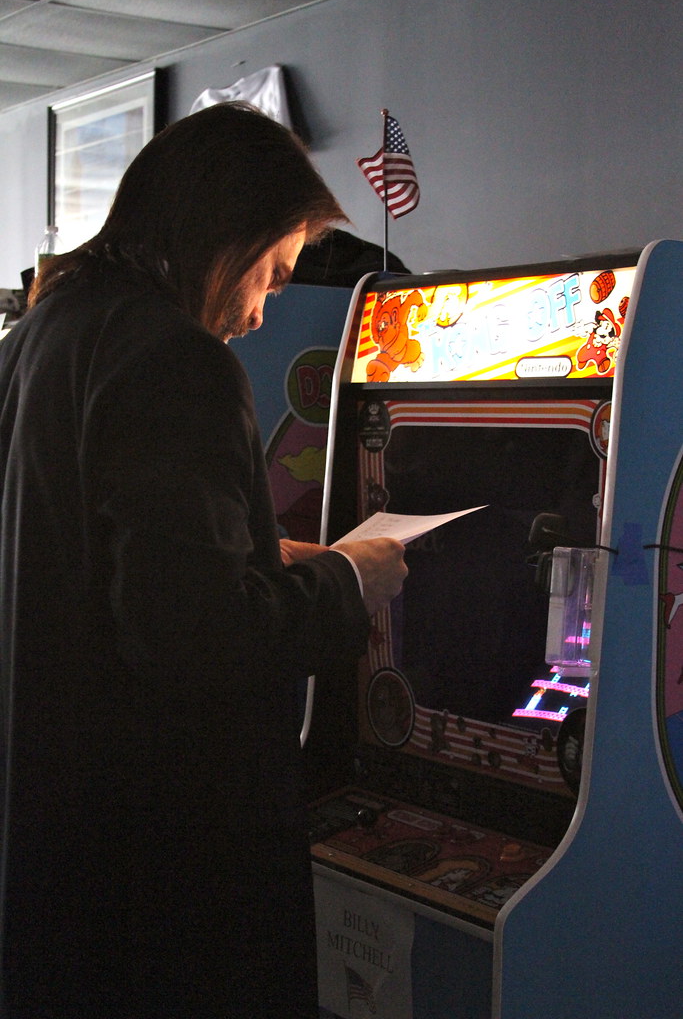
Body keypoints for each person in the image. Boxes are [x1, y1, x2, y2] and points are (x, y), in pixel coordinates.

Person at [0, 103, 407, 1019]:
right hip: (164, 858)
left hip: (57, 830)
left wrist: (262, 554)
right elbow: (196, 638)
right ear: (224, 234)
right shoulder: (174, 358)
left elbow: (94, 565)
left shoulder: (36, 340)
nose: (264, 310)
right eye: (270, 271)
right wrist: (350, 577)